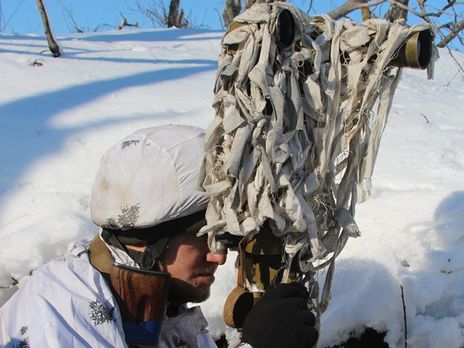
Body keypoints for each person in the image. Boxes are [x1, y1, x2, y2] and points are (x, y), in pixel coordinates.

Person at [0, 124, 318, 348]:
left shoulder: (155, 307)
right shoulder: (60, 315)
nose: (219, 256)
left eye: (224, 238)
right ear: (147, 239)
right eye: (203, 236)